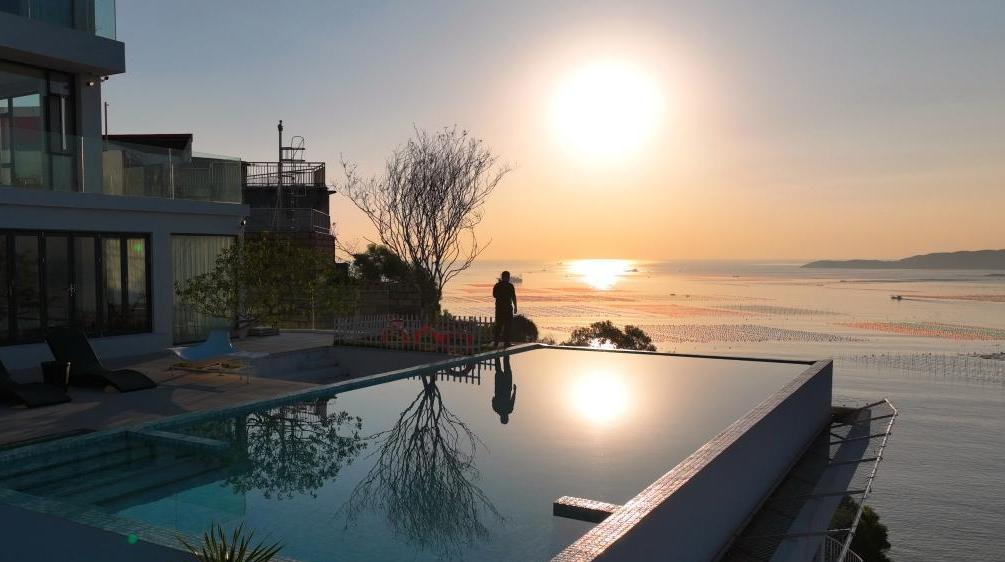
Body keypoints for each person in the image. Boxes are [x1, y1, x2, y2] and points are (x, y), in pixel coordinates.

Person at [492, 270, 518, 347]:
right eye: (508, 277)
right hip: (504, 309)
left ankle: (500, 343)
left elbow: (494, 295)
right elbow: (513, 297)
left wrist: (515, 306)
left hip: (502, 308)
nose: (508, 278)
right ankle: (502, 343)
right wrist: (515, 307)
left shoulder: (498, 285)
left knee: (503, 326)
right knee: (502, 326)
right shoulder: (508, 286)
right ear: (505, 277)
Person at [492, 356, 516, 424]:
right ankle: (499, 355)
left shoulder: (505, 410)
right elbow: (493, 400)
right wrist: (514, 391)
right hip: (502, 387)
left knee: (503, 369)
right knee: (502, 369)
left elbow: (512, 399)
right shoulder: (497, 409)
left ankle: (501, 354)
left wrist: (514, 391)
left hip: (504, 387)